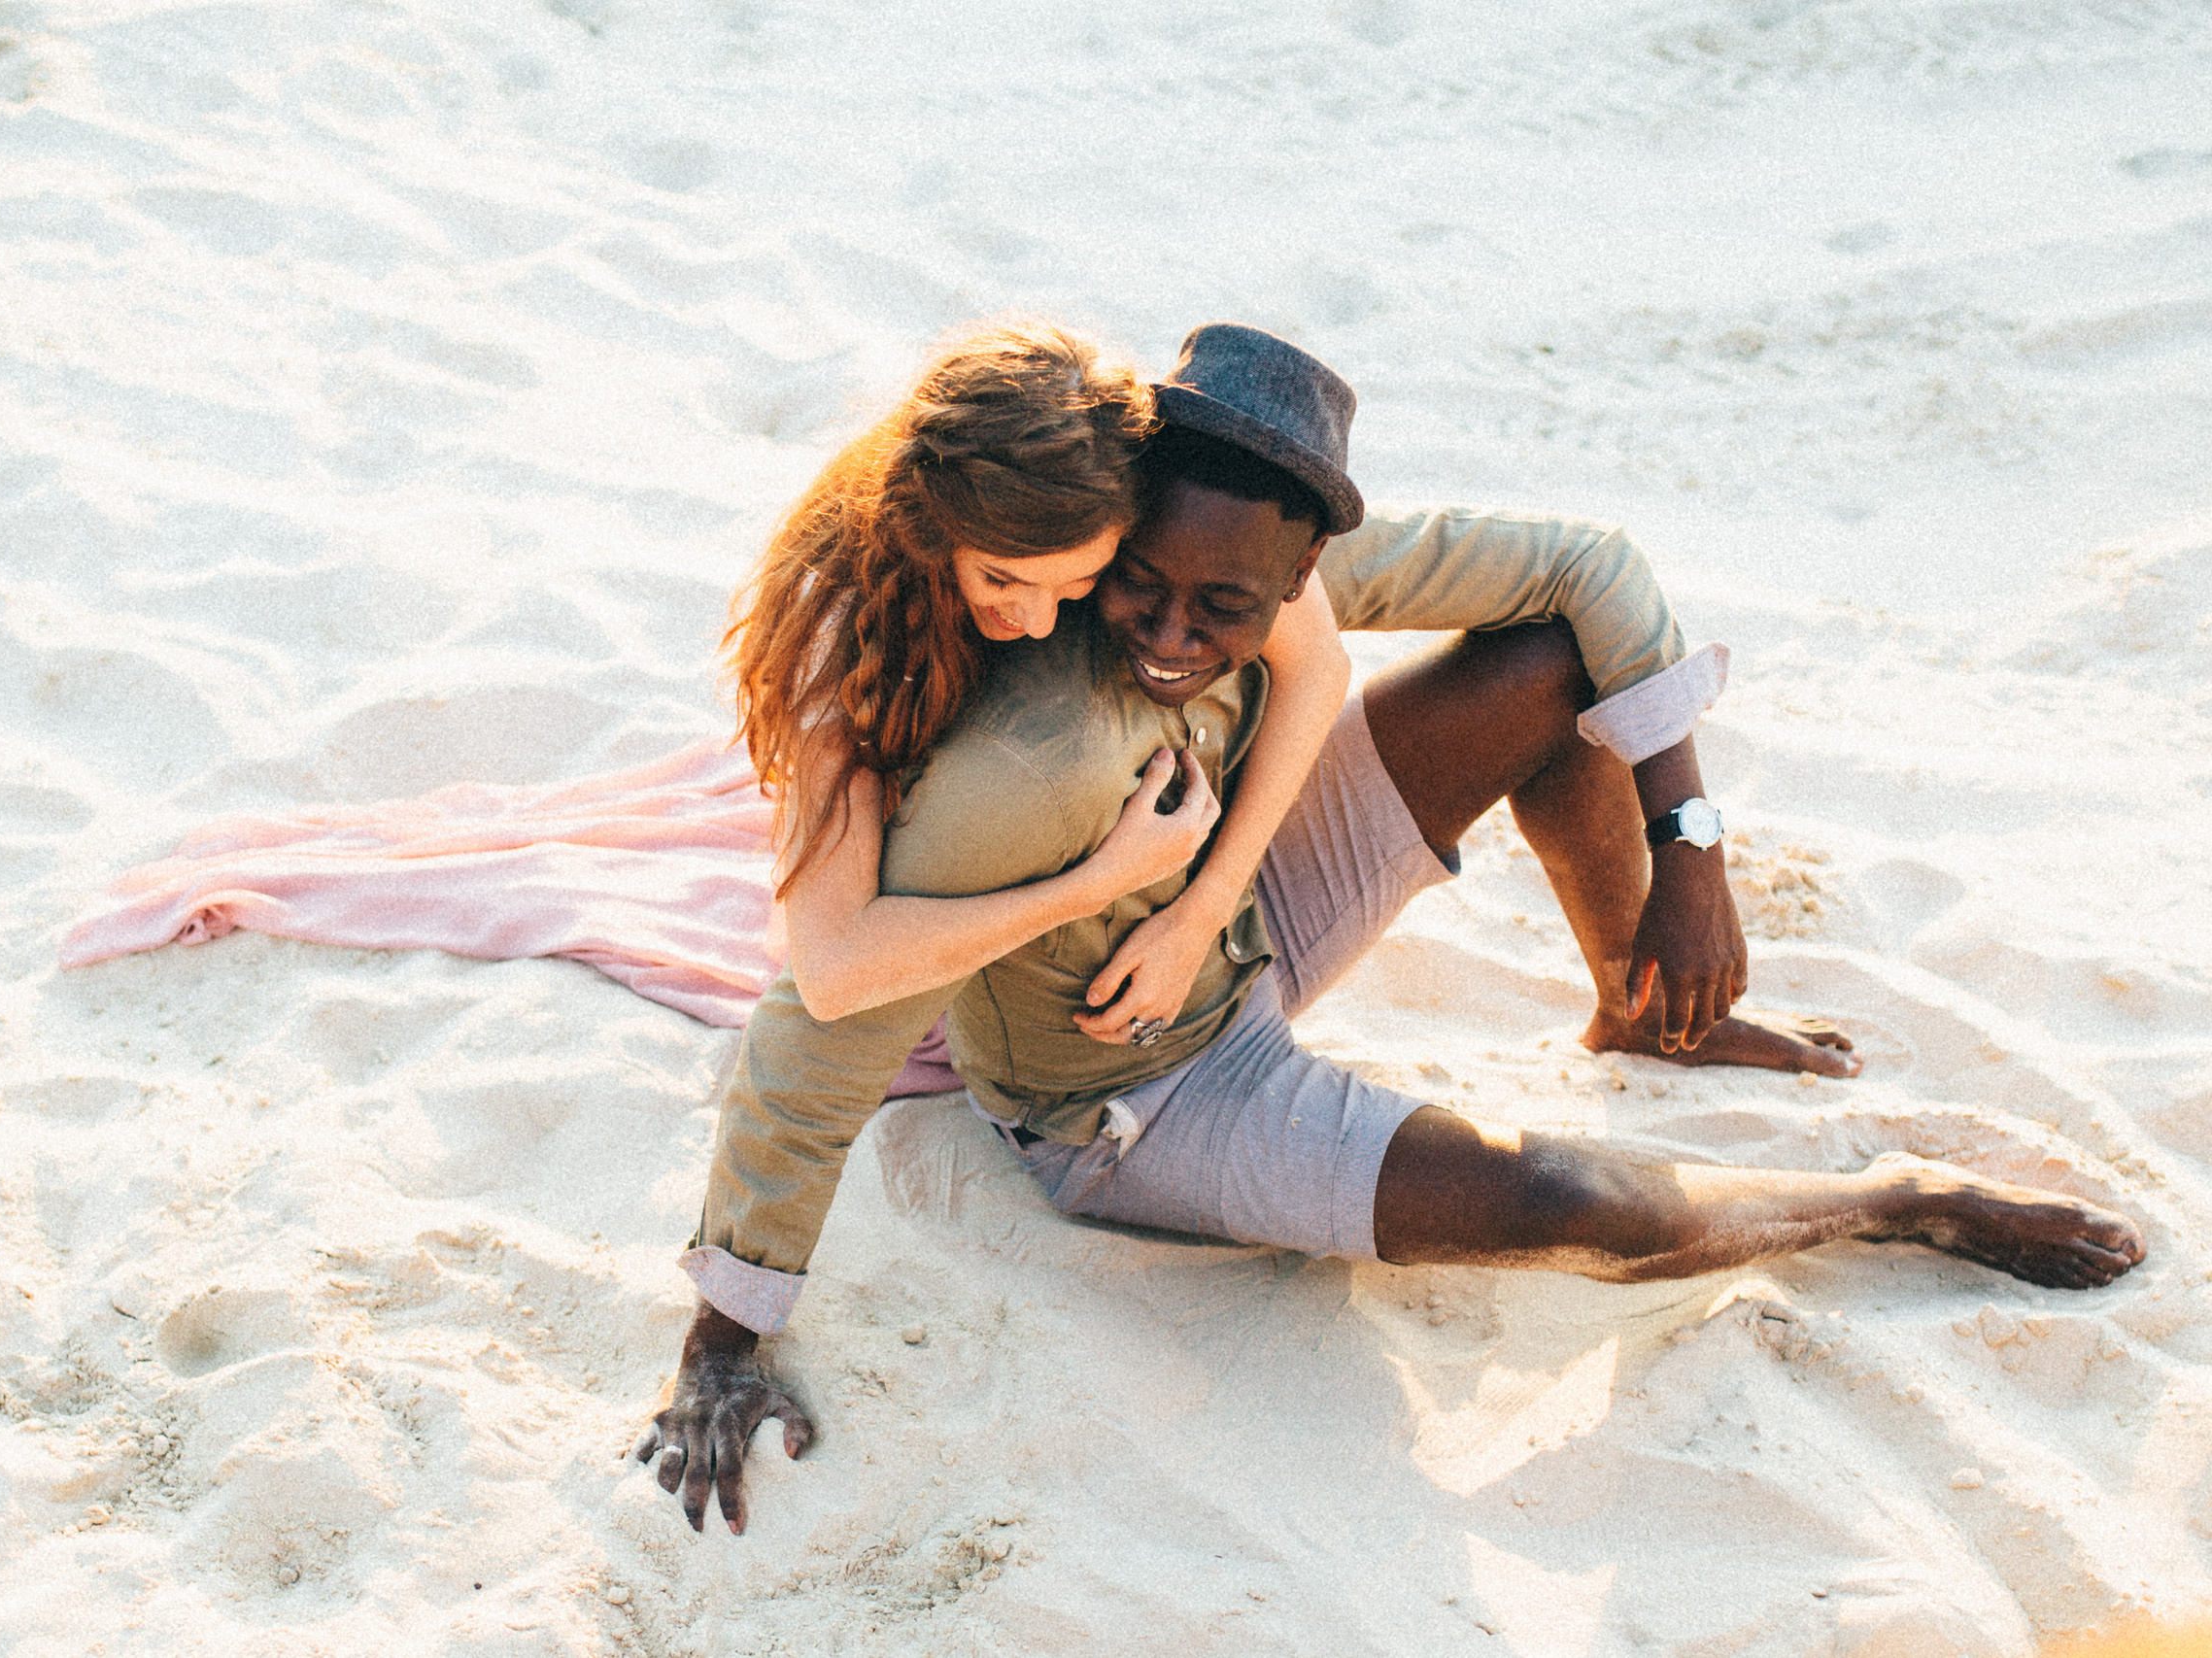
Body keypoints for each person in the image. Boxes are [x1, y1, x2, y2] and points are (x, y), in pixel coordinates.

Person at [636, 324, 2147, 1535]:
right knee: (1568, 1199)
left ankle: (1635, 1004)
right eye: (1120, 591)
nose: (1153, 627)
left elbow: (1587, 570)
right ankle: (1895, 1199)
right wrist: (724, 1334)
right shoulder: (1008, 739)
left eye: (1210, 599)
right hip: (1130, 1077)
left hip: (1238, 904)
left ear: (1286, 567)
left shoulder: (1186, 551)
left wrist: (1690, 852)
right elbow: (822, 1003)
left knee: (1549, 658)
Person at [727, 319, 1352, 1059]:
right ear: (934, 528)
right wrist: (1095, 884)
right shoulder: (844, 644)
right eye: (1000, 578)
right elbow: (831, 975)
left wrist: (1203, 908)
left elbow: (1319, 660)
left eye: (1081, 581)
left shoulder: (1110, 500)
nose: (1038, 620)